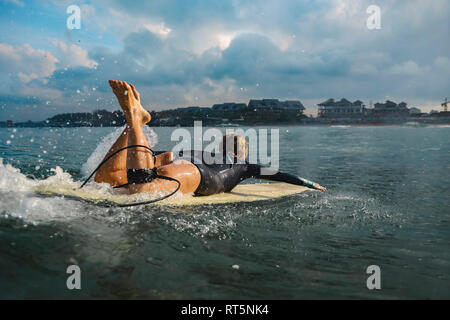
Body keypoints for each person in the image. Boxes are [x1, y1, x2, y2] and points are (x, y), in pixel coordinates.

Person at [94, 80, 326, 195]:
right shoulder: (244, 165)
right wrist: (310, 183)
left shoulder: (199, 150)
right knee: (140, 191)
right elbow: (280, 175)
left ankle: (134, 124)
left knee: (106, 179)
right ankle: (134, 118)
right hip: (199, 175)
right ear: (242, 151)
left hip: (174, 157)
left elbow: (144, 154)